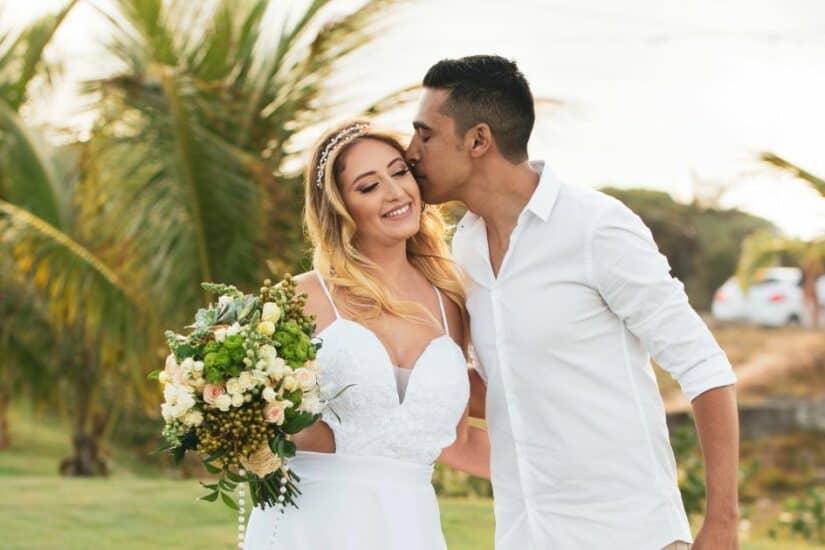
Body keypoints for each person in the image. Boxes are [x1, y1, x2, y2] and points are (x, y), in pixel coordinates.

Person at [406, 55, 740, 550]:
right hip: (524, 534)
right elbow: (508, 387)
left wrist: (722, 524)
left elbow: (703, 366)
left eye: (425, 135)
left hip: (628, 534)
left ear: (478, 140)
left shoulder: (595, 227)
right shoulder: (467, 247)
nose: (410, 152)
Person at [243, 120, 490, 549]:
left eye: (399, 172)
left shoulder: (450, 302)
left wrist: (574, 473)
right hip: (311, 525)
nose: (395, 193)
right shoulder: (300, 299)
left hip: (410, 528)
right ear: (340, 208)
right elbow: (249, 417)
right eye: (369, 186)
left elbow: (459, 442)